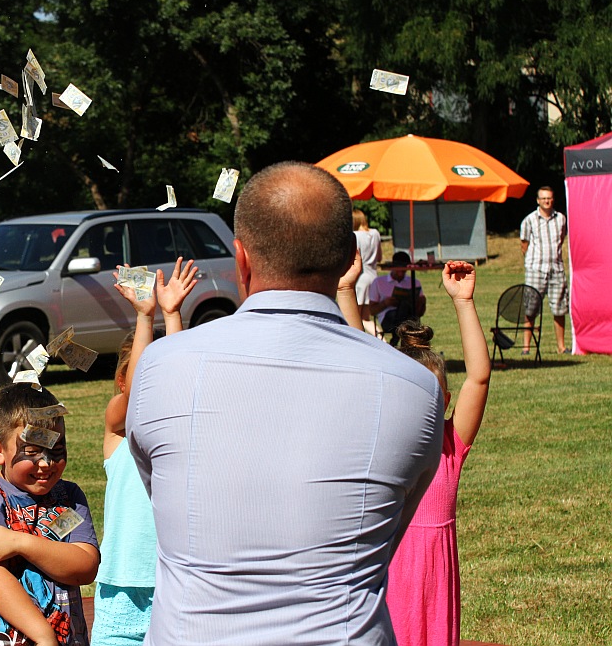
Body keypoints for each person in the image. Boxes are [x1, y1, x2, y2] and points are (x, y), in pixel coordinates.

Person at [126, 161, 445, 646]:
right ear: (347, 263)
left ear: (242, 259)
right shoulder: (414, 387)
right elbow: (388, 532)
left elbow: (163, 495)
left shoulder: (159, 367)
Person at [385, 261, 491, 646]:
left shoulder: (450, 445)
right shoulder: (384, 445)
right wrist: (347, 292)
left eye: (433, 395)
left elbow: (479, 376)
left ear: (446, 400)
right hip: (391, 576)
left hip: (436, 581)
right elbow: (358, 363)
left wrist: (464, 302)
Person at [94, 258, 198, 646]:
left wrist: (172, 315)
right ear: (121, 379)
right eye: (141, 372)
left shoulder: (181, 428)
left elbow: (173, 379)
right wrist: (145, 317)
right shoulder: (117, 426)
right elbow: (142, 395)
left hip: (174, 583)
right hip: (122, 586)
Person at [0, 384, 100, 646]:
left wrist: (19, 542)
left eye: (56, 450)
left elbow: (85, 567)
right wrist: (44, 636)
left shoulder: (69, 498)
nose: (46, 463)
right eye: (32, 452)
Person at [520, 186, 569, 354]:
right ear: (538, 200)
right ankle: (526, 347)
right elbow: (524, 244)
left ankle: (561, 347)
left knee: (559, 309)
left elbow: (561, 240)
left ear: (553, 199)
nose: (546, 201)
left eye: (549, 198)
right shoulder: (529, 220)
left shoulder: (561, 219)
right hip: (536, 270)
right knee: (530, 308)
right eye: (543, 198)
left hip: (556, 269)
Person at [369, 251, 427, 345]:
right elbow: (372, 311)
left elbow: (420, 313)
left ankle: (395, 339)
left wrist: (422, 303)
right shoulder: (379, 282)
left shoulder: (414, 282)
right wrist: (386, 303)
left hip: (410, 317)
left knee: (406, 309)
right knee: (408, 318)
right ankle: (401, 339)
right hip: (389, 320)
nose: (400, 274)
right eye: (398, 270)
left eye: (403, 271)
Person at [354, 209, 383, 335]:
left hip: (360, 278)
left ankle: (381, 338)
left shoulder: (355, 235)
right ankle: (379, 336)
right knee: (366, 317)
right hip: (373, 276)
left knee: (356, 318)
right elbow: (380, 257)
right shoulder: (375, 233)